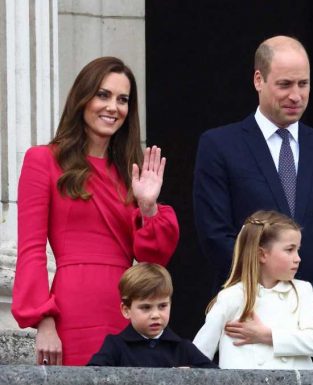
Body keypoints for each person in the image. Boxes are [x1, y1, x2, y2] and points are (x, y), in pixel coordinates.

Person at [12, 57, 179, 366]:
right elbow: (31, 250)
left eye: (122, 99)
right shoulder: (43, 160)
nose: (113, 107)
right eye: (103, 95)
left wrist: (148, 206)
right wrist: (44, 321)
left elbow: (153, 260)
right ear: (82, 98)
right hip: (72, 308)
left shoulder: (132, 175)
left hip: (125, 309)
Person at [193, 35, 313, 303]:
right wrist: (267, 290)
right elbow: (215, 234)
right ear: (258, 80)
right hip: (247, 308)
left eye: (303, 84)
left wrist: (310, 294)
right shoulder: (219, 146)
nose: (296, 95)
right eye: (284, 84)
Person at [193, 210, 313, 369]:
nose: (298, 258)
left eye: (297, 249)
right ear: (262, 254)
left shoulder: (303, 291)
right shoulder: (231, 297)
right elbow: (199, 353)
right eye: (289, 250)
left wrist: (267, 336)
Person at [87, 263, 216, 368]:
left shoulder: (183, 348)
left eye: (162, 306)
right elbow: (90, 376)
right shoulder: (115, 346)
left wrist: (192, 375)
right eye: (146, 307)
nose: (155, 315)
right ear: (126, 310)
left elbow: (219, 377)